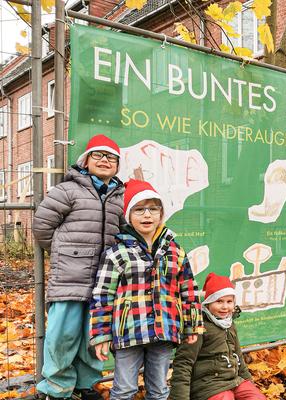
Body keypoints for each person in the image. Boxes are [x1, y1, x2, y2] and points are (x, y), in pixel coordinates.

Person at [90, 179, 204, 400]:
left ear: (161, 214)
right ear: (128, 215)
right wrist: (101, 334)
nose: (147, 215)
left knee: (159, 390)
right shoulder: (116, 253)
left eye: (153, 209)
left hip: (165, 330)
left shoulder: (174, 250)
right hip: (129, 332)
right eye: (139, 209)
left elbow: (189, 289)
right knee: (124, 389)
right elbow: (102, 296)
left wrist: (191, 326)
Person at [33, 134, 125, 400]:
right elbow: (42, 225)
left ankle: (85, 384)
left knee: (93, 336)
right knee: (63, 335)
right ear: (85, 160)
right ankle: (57, 388)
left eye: (111, 157)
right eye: (98, 155)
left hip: (103, 283)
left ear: (118, 165)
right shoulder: (68, 190)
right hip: (69, 278)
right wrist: (66, 253)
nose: (105, 161)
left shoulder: (120, 196)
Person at [170, 273, 266, 400]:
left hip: (234, 380)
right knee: (225, 398)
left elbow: (238, 356)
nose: (225, 307)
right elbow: (184, 362)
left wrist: (248, 381)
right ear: (208, 303)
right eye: (219, 301)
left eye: (229, 302)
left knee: (256, 397)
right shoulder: (198, 327)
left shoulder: (230, 324)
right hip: (208, 385)